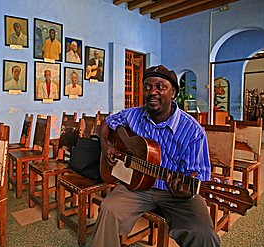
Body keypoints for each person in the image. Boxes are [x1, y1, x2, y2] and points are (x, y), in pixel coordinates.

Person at [92, 65, 220, 247]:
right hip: (137, 187)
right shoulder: (133, 114)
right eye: (148, 87)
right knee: (108, 209)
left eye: (160, 86)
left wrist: (184, 189)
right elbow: (107, 122)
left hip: (177, 194)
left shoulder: (193, 131)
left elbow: (198, 176)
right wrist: (105, 147)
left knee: (204, 235)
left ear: (173, 93)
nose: (153, 92)